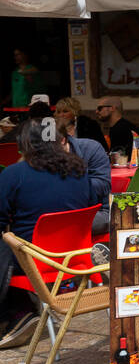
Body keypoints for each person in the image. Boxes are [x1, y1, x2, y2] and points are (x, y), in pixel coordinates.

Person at [0, 120, 100, 342]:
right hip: (73, 257)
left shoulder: (15, 174)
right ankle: (21, 312)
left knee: (7, 244)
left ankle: (18, 312)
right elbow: (90, 204)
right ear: (57, 141)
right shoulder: (80, 169)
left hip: (31, 259)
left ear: (24, 144)